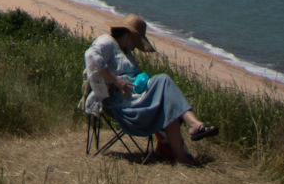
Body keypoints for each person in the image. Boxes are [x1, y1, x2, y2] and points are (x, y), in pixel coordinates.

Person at [85, 15, 219, 164]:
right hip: (120, 104)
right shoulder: (107, 42)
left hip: (135, 99)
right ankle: (193, 125)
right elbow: (91, 56)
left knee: (167, 101)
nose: (135, 47)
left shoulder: (126, 52)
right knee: (163, 80)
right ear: (128, 35)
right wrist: (116, 81)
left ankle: (180, 155)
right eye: (136, 42)